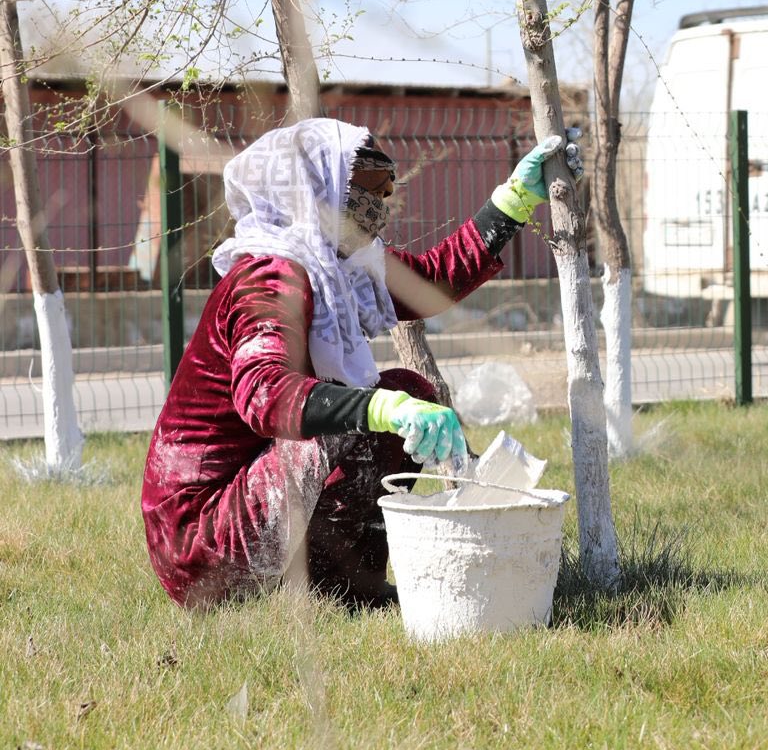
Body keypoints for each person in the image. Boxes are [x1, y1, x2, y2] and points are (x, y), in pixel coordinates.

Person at [141, 117, 582, 610]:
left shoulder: (334, 265)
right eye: (368, 181)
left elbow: (431, 279)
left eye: (388, 183)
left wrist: (514, 201)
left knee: (404, 390)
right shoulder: (268, 278)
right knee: (368, 413)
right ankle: (337, 589)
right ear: (314, 188)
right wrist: (383, 409)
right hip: (199, 541)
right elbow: (266, 395)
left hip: (245, 498)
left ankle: (339, 587)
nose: (383, 198)